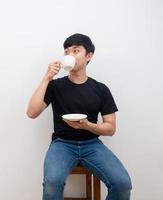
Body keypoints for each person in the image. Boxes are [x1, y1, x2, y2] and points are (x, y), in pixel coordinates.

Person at [26, 33, 132, 200]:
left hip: (92, 144)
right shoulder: (55, 85)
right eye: (67, 52)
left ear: (89, 56)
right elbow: (31, 113)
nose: (70, 55)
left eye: (76, 51)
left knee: (122, 183)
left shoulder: (101, 89)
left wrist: (88, 126)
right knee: (52, 183)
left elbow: (111, 128)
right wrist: (47, 77)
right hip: (62, 144)